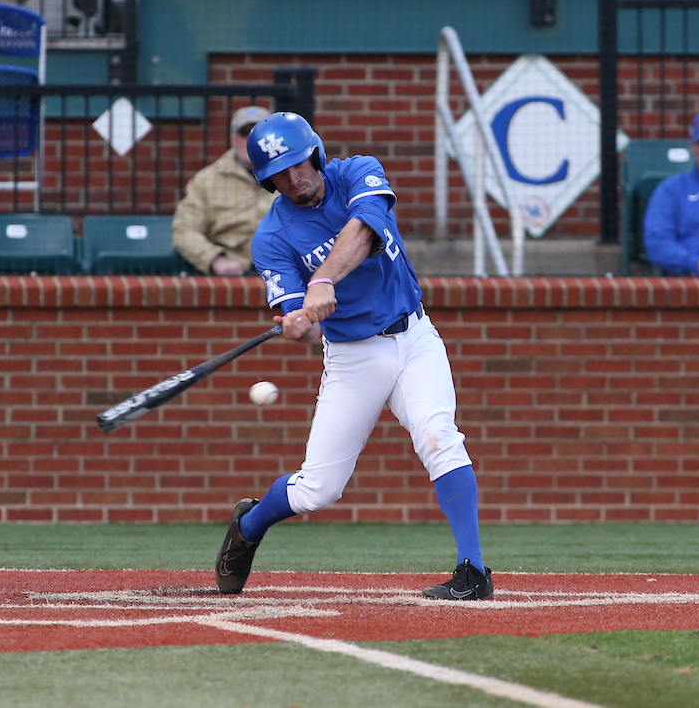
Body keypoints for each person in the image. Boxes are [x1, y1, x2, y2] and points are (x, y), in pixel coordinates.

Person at [214, 112, 493, 601]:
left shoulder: (357, 172)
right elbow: (303, 322)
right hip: (352, 358)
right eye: (279, 172)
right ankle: (250, 523)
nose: (294, 177)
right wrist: (300, 323)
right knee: (318, 491)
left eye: (300, 163)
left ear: (315, 155)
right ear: (267, 181)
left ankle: (473, 570)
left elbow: (365, 230)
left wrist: (321, 280)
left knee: (439, 437)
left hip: (415, 337)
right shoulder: (272, 239)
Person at [172, 105, 277, 276]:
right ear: (233, 139)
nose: (252, 140)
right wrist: (215, 259)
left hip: (284, 271)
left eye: (259, 133)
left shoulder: (291, 175)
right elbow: (184, 231)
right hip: (231, 274)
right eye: (245, 133)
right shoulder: (207, 180)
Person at [642, 111, 699, 277]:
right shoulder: (671, 189)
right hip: (688, 284)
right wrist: (695, 263)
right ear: (693, 146)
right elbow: (657, 243)